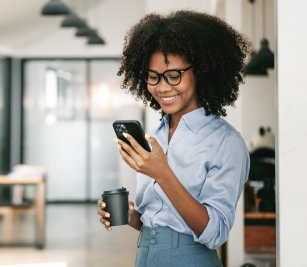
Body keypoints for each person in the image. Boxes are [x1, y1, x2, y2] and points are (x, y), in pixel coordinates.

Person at [97, 10, 251, 267]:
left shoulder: (225, 142)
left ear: (200, 72)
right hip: (146, 258)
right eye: (153, 76)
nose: (162, 87)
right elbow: (161, 221)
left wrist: (162, 173)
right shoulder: (156, 137)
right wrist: (131, 216)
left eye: (173, 76)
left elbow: (216, 233)